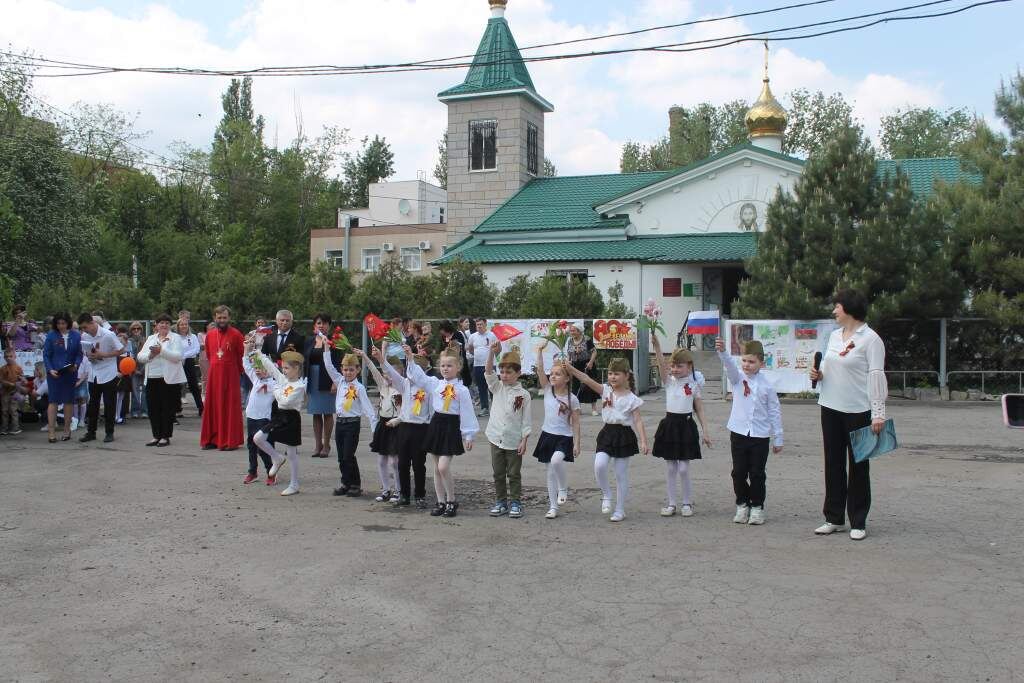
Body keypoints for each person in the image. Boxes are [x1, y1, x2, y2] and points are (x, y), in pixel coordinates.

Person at [809, 289, 887, 541]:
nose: (834, 311)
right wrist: (819, 376)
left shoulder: (871, 339)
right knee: (832, 463)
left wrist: (878, 414)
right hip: (830, 406)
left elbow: (876, 376)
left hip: (858, 410)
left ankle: (858, 520)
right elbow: (831, 368)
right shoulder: (834, 336)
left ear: (850, 309)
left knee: (858, 466)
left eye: (837, 306)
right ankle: (833, 517)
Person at [565, 357, 648, 523]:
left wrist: (643, 440)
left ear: (626, 376)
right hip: (607, 433)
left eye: (616, 374)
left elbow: (638, 420)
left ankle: (620, 510)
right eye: (610, 374)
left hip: (624, 435)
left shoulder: (632, 398)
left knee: (620, 474)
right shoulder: (605, 391)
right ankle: (606, 494)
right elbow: (586, 379)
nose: (612, 377)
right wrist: (571, 369)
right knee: (599, 465)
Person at [403, 343, 478, 518]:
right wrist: (410, 358)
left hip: (451, 427)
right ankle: (441, 501)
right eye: (443, 365)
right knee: (436, 468)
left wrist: (468, 434)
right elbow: (420, 378)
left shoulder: (462, 390)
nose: (445, 368)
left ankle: (452, 500)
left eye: (450, 365)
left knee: (443, 467)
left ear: (458, 367)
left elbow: (467, 413)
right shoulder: (435, 383)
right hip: (436, 425)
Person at [715, 337, 783, 526]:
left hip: (760, 436)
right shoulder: (737, 378)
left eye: (752, 362)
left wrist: (778, 438)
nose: (747, 365)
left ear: (761, 363)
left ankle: (757, 507)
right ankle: (742, 504)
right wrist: (722, 352)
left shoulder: (767, 386)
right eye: (744, 360)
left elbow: (774, 411)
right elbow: (729, 365)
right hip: (738, 433)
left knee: (757, 474)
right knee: (738, 472)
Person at [650, 334, 712, 518]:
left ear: (689, 366)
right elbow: (661, 364)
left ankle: (687, 502)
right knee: (670, 468)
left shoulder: (694, 385)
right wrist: (658, 346)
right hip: (670, 426)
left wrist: (705, 432)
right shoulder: (669, 382)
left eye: (680, 366)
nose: (675, 369)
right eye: (673, 366)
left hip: (686, 427)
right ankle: (671, 503)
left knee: (684, 468)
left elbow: (699, 410)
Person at [376, 344, 433, 508]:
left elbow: (431, 411)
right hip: (405, 427)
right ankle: (405, 495)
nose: (412, 372)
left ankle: (420, 495)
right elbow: (392, 373)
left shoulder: (428, 386)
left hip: (420, 428)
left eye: (415, 369)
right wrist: (381, 358)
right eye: (410, 368)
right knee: (402, 464)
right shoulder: (405, 384)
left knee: (418, 464)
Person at [321, 339, 377, 498]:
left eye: (351, 370)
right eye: (345, 370)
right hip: (340, 422)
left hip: (352, 424)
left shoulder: (359, 388)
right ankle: (345, 482)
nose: (347, 373)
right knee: (340, 456)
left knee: (348, 455)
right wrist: (326, 348)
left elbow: (369, 410)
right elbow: (328, 367)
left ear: (358, 370)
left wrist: (375, 430)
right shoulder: (339, 382)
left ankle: (355, 484)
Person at [248, 342, 306, 497]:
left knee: (292, 453)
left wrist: (275, 389)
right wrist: (258, 352)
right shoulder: (283, 379)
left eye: (287, 368)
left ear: (296, 369)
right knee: (258, 438)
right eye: (284, 368)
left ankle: (294, 484)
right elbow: (271, 368)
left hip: (291, 418)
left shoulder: (299, 386)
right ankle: (277, 458)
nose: (283, 371)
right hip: (279, 416)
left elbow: (285, 401)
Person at [532, 342, 581, 519]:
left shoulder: (572, 399)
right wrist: (539, 351)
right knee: (550, 471)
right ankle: (553, 506)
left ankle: (563, 487)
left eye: (557, 374)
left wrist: (577, 443)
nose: (553, 376)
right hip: (548, 435)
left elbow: (576, 423)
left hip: (564, 437)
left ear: (567, 378)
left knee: (556, 461)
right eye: (552, 374)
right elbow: (539, 370)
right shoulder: (547, 390)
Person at [484, 343, 532, 519]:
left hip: (514, 440)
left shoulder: (524, 395)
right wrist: (491, 352)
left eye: (508, 372)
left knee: (513, 473)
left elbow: (526, 420)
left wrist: (524, 439)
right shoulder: (497, 388)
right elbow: (488, 372)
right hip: (495, 437)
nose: (504, 376)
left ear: (518, 373)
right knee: (498, 472)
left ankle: (516, 502)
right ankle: (501, 502)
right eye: (502, 372)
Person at [356, 347, 401, 502]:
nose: (387, 377)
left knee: (395, 461)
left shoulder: (401, 388)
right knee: (381, 459)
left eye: (390, 374)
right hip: (383, 424)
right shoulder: (383, 385)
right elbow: (374, 370)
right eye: (385, 374)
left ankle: (398, 490)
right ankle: (386, 489)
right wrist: (364, 357)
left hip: (396, 424)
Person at [200, 306, 245, 451]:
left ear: (229, 318)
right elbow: (209, 355)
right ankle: (212, 439)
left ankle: (229, 441)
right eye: (219, 318)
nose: (222, 320)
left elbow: (241, 356)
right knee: (213, 406)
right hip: (214, 376)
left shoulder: (236, 334)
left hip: (230, 376)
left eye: (224, 317)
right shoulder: (211, 335)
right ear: (214, 318)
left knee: (229, 407)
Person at [136, 314, 185, 447]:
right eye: (161, 323)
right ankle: (156, 435)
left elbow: (178, 356)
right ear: (156, 325)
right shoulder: (151, 338)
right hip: (152, 377)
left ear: (170, 325)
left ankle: (165, 436)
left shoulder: (175, 338)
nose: (164, 325)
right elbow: (140, 356)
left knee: (167, 409)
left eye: (166, 323)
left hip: (168, 379)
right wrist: (151, 355)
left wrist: (161, 351)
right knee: (153, 408)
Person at [77, 312, 125, 444]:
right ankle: (91, 432)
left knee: (110, 404)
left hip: (108, 373)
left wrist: (103, 354)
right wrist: (91, 355)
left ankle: (110, 432)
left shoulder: (108, 334)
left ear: (93, 323)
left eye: (85, 327)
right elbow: (85, 352)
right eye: (82, 328)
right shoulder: (85, 336)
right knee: (93, 404)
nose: (84, 330)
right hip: (94, 373)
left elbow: (121, 350)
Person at [241, 338, 277, 486]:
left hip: (264, 419)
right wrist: (246, 350)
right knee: (251, 445)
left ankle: (271, 471)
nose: (256, 370)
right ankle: (252, 471)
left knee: (264, 447)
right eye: (256, 368)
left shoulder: (274, 384)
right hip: (252, 417)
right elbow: (246, 365)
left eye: (260, 368)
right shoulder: (256, 380)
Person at [42, 312, 83, 443]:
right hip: (55, 373)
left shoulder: (76, 335)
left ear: (68, 323)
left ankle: (67, 429)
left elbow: (79, 354)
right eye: (58, 323)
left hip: (70, 372)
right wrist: (49, 369)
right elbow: (46, 355)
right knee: (53, 401)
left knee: (68, 401)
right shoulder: (51, 335)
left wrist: (76, 364)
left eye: (63, 323)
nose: (61, 326)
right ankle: (51, 431)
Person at [304, 313, 340, 459]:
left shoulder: (334, 341)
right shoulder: (309, 341)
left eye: (324, 323)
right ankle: (317, 444)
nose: (321, 325)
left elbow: (338, 362)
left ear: (329, 326)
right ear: (314, 325)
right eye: (319, 323)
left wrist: (335, 382)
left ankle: (326, 445)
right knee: (316, 413)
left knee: (327, 413)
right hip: (312, 379)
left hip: (327, 378)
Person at [565, 324, 600, 416]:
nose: (571, 333)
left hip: (587, 365)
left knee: (590, 385)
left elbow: (594, 352)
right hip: (575, 365)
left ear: (579, 331)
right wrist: (568, 361)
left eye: (573, 331)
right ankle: (578, 408)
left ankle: (594, 409)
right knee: (576, 387)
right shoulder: (570, 341)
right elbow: (569, 353)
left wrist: (591, 362)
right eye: (571, 331)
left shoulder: (587, 339)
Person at [465, 318, 497, 417]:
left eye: (481, 324)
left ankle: (497, 408)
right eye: (477, 324)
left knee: (492, 387)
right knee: (482, 387)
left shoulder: (492, 335)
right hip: (477, 366)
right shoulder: (473, 336)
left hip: (490, 365)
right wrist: (478, 354)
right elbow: (470, 349)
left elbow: (498, 348)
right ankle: (485, 408)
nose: (479, 326)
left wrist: (491, 357)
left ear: (485, 324)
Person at [175, 318, 204, 417]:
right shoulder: (175, 337)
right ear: (178, 326)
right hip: (177, 362)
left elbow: (196, 349)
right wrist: (180, 357)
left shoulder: (193, 337)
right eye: (181, 325)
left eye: (185, 324)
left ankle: (201, 408)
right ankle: (177, 409)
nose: (183, 326)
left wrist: (184, 356)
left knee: (194, 386)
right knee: (177, 386)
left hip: (189, 362)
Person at [0, 347, 27, 435]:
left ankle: (15, 428)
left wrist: (22, 379)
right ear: (4, 358)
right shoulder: (2, 369)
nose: (8, 358)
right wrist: (9, 383)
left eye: (10, 356)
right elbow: (1, 380)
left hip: (15, 392)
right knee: (4, 410)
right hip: (5, 392)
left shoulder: (18, 368)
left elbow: (23, 379)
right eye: (6, 356)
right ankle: (4, 428)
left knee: (13, 410)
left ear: (15, 356)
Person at [126, 321, 147, 418]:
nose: (136, 330)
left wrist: (142, 369)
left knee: (145, 391)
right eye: (134, 329)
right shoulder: (129, 341)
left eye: (138, 328)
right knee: (135, 391)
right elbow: (129, 356)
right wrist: (134, 369)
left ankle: (144, 411)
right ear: (131, 330)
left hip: (144, 367)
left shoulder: (146, 340)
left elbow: (148, 355)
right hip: (133, 368)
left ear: (141, 330)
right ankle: (134, 410)